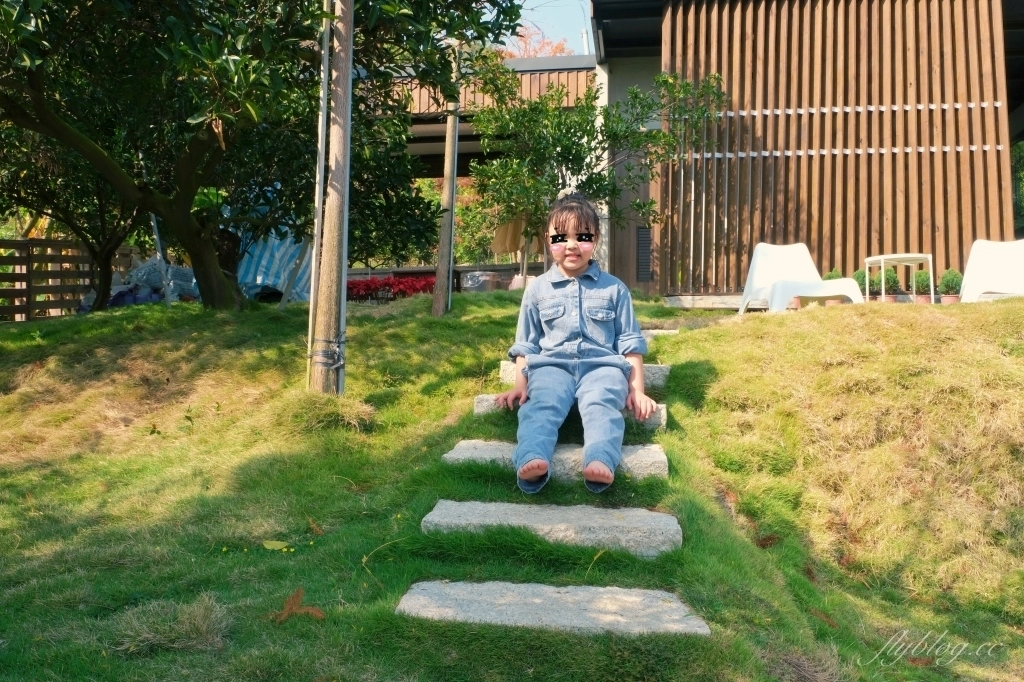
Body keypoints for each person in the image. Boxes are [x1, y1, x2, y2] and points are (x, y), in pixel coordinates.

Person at [494, 194, 656, 493]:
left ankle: (600, 460)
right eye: (561, 237)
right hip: (551, 367)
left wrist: (637, 391)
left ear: (595, 239)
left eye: (582, 237)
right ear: (548, 240)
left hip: (601, 367)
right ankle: (531, 458)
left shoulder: (614, 289)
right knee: (541, 404)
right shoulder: (537, 290)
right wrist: (521, 384)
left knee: (602, 404)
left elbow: (630, 343)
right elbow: (526, 344)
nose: (571, 245)